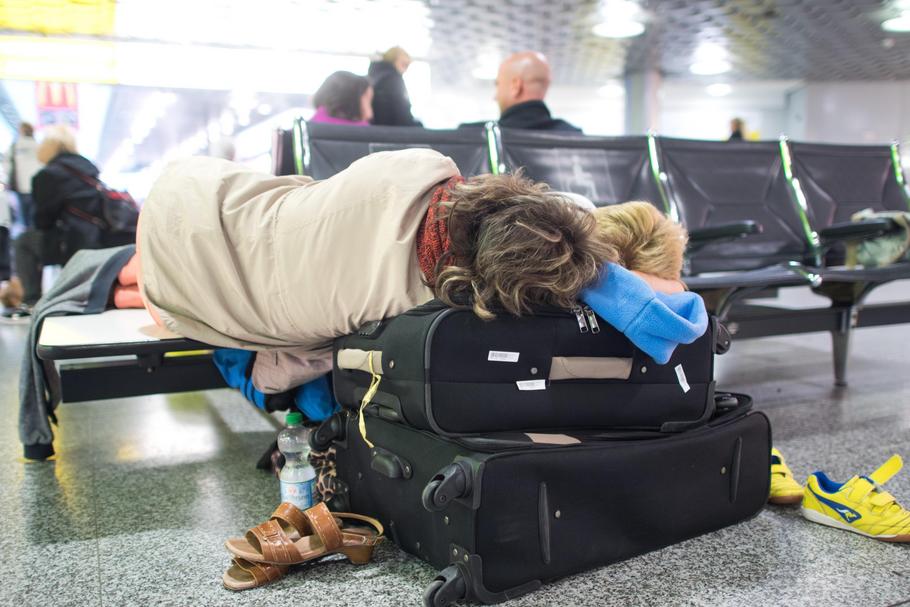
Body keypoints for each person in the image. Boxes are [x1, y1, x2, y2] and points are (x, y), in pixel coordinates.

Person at [134, 149, 707, 397]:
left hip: (188, 193)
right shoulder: (427, 313)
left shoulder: (426, 170)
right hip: (178, 298)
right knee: (283, 352)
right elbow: (277, 372)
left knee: (285, 216)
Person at [5, 125, 105, 317]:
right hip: (99, 239)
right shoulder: (89, 169)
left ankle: (31, 300)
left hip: (70, 242)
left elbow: (43, 221)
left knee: (23, 242)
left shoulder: (47, 175)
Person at [479, 51, 581, 132]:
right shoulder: (574, 137)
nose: (495, 97)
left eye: (498, 85)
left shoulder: (477, 138)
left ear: (516, 86)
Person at [2, 122, 43, 229]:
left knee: (24, 216)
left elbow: (7, 165)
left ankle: (27, 236)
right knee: (35, 213)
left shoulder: (15, 146)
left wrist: (7, 180)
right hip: (37, 184)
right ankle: (34, 234)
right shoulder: (38, 145)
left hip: (21, 185)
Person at [368, 46, 421, 127]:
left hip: (375, 129)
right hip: (392, 131)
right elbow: (402, 111)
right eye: (404, 64)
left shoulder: (373, 75)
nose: (405, 70)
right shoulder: (394, 79)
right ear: (393, 61)